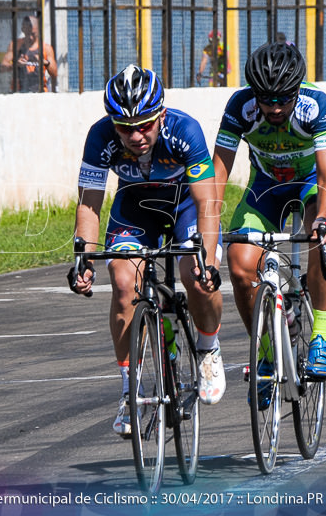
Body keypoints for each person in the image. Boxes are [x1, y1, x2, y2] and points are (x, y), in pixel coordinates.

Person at [69, 64, 225, 437]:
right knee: (123, 283)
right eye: (125, 127)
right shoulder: (100, 136)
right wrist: (84, 258)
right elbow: (89, 203)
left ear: (161, 115)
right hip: (136, 206)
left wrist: (206, 257)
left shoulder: (185, 130)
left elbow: (207, 201)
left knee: (198, 278)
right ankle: (130, 390)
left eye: (145, 125)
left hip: (185, 203)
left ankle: (208, 348)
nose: (136, 135)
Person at [212, 41, 326, 400]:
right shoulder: (241, 106)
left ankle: (321, 337)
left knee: (322, 236)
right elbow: (217, 175)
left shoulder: (314, 105)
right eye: (265, 99)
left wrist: (322, 221)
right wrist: (208, 229)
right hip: (266, 187)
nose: (273, 107)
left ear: (296, 91)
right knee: (239, 265)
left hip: (311, 184)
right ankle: (267, 354)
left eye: (282, 99)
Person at [1, 15, 57, 93]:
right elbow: (2, 67)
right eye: (28, 33)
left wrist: (45, 63)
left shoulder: (46, 48)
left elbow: (54, 74)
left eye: (33, 34)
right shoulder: (16, 45)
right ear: (23, 30)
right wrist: (16, 65)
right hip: (19, 91)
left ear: (38, 31)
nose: (30, 37)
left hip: (40, 91)